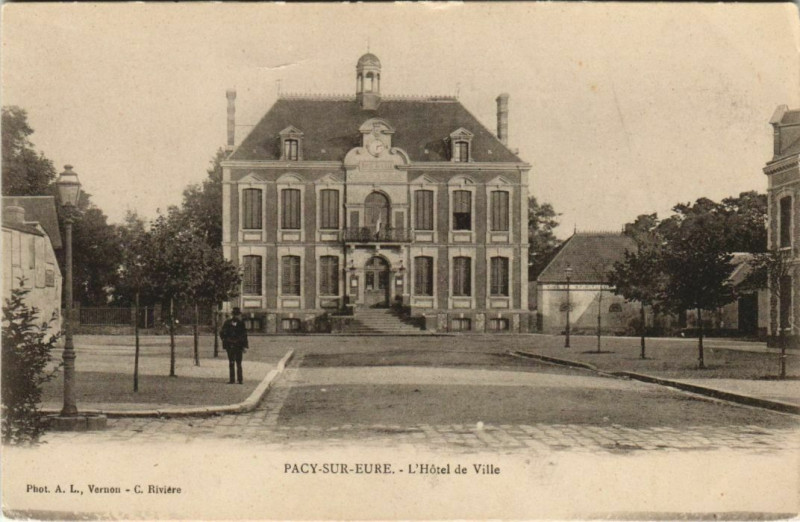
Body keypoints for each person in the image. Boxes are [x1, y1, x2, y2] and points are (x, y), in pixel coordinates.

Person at [220, 307, 248, 384]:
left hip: (231, 345)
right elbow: (244, 335)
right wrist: (245, 346)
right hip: (238, 345)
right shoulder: (241, 323)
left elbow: (222, 333)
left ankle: (232, 380)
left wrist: (225, 340)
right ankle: (240, 380)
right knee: (238, 363)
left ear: (232, 314)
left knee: (232, 362)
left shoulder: (228, 322)